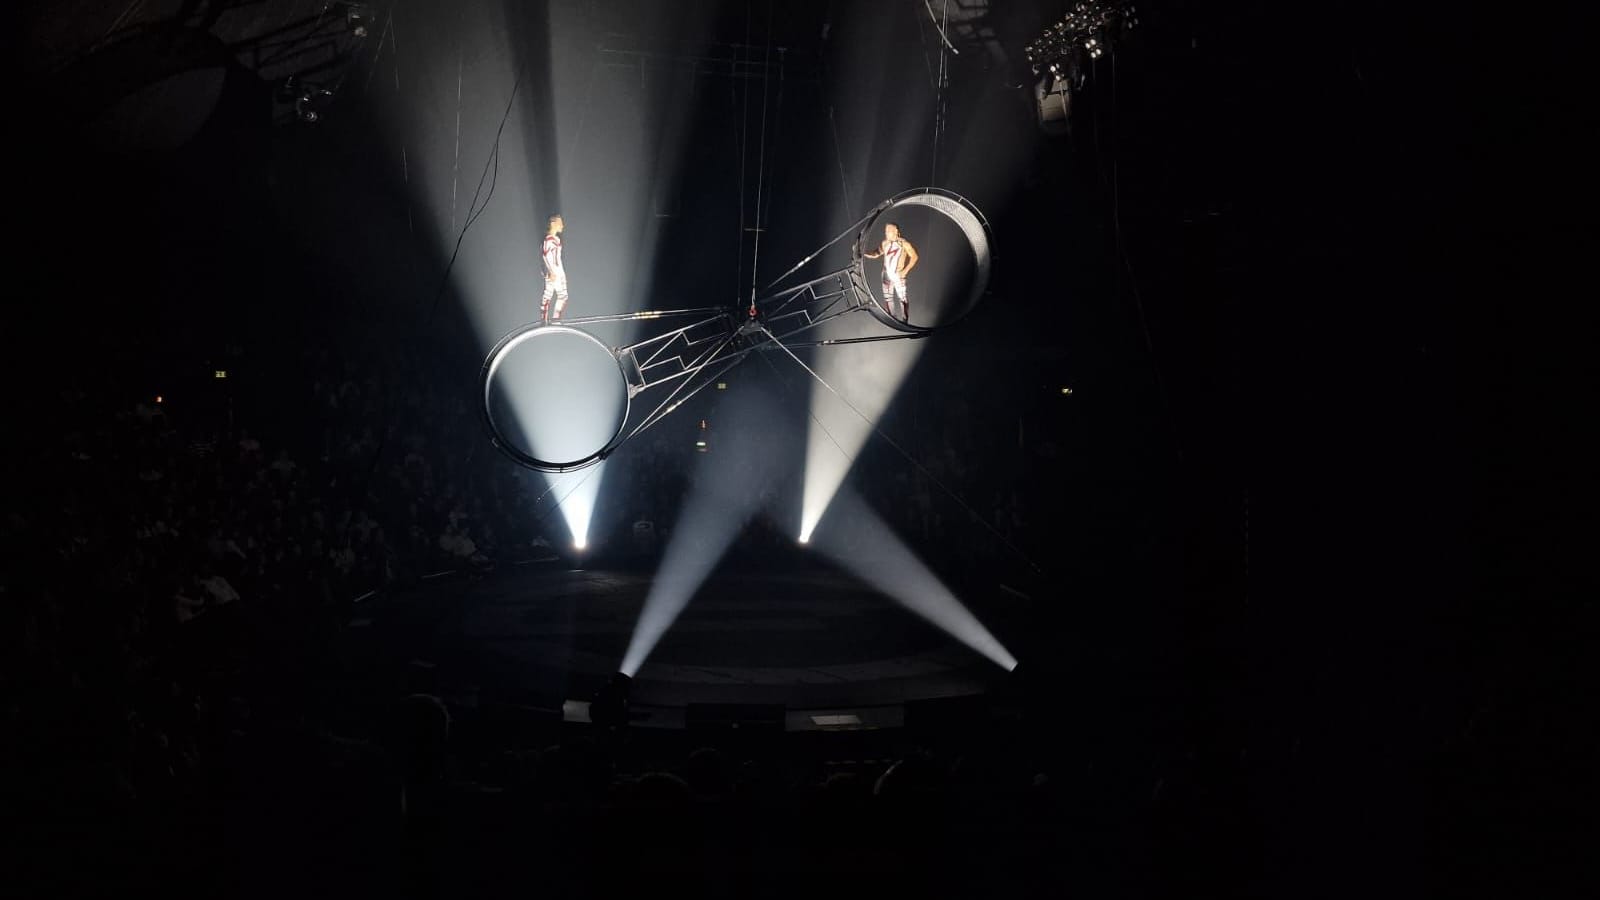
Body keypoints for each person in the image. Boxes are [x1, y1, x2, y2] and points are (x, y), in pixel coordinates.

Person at [863, 222, 918, 322]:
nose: (886, 233)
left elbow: (914, 256)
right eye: (886, 231)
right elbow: (876, 253)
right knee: (888, 298)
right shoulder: (885, 243)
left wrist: (905, 270)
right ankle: (892, 317)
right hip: (886, 274)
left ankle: (905, 320)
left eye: (889, 231)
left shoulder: (904, 244)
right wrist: (864, 254)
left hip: (898, 274)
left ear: (896, 231)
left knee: (903, 298)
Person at [539, 214, 568, 324]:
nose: (562, 225)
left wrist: (561, 273)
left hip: (557, 272)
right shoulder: (548, 240)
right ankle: (549, 319)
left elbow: (557, 259)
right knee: (559, 295)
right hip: (553, 272)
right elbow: (545, 256)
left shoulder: (556, 239)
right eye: (560, 223)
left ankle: (548, 319)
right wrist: (551, 272)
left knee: (551, 294)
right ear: (553, 223)